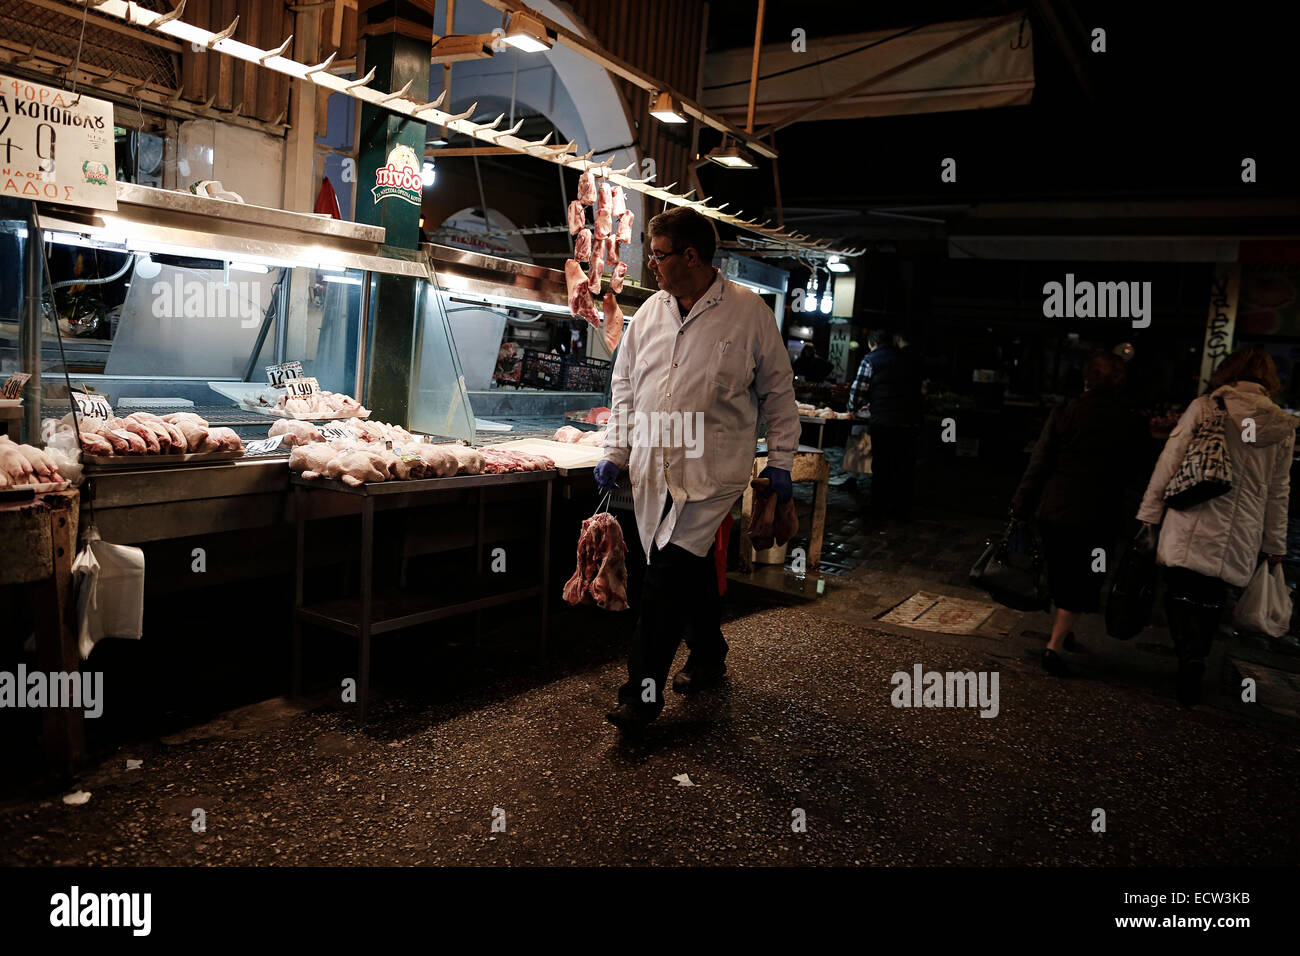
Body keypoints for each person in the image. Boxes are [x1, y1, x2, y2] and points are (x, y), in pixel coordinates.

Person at [594, 206, 800, 734]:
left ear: (691, 256)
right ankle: (709, 654)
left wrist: (780, 463)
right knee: (682, 570)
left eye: (658, 255)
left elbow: (778, 393)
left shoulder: (749, 313)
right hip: (652, 470)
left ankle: (641, 696)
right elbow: (624, 389)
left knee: (662, 579)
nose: (651, 267)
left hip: (710, 474)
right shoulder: (649, 316)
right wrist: (616, 450)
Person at [1137, 348, 1296, 705]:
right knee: (1212, 598)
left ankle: (1186, 655)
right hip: (1242, 528)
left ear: (1229, 372)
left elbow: (1169, 462)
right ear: (1268, 379)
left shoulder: (1206, 407)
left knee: (1181, 591)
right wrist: (1275, 545)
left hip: (1193, 517)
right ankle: (1198, 657)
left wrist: (1149, 514)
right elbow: (1278, 491)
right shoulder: (1281, 426)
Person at [1011, 353, 1149, 676]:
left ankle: (1064, 631)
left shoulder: (1065, 412)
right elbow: (1140, 472)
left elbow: (1039, 463)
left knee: (1060, 570)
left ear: (1086, 380)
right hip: (1101, 513)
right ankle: (1054, 646)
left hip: (1056, 508)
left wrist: (1021, 505)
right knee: (1084, 577)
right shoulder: (1130, 421)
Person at [848, 330, 923, 517]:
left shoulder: (871, 359)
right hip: (909, 421)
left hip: (884, 421)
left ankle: (879, 506)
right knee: (903, 466)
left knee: (882, 465)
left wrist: (852, 408)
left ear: (873, 344)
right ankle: (901, 508)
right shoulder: (908, 359)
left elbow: (859, 390)